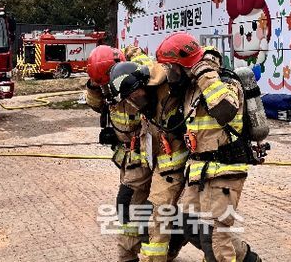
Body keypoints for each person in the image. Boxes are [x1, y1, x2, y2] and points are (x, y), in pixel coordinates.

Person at [156, 32, 263, 262]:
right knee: (187, 224)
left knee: (213, 237)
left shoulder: (224, 82)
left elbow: (225, 111)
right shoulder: (190, 89)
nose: (169, 74)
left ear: (185, 65)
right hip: (200, 170)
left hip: (225, 169)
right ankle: (248, 258)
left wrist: (205, 74)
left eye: (171, 68)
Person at [109, 48, 190, 262]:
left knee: (159, 216)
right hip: (149, 159)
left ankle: (168, 248)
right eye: (129, 98)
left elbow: (190, 59)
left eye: (134, 95)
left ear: (141, 84)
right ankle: (132, 256)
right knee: (128, 204)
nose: (132, 101)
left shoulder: (165, 81)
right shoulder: (137, 95)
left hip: (172, 166)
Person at [86, 45, 148, 262]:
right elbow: (96, 104)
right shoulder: (105, 86)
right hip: (127, 158)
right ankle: (169, 247)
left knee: (127, 205)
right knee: (146, 209)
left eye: (106, 84)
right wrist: (94, 87)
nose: (106, 90)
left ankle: (128, 256)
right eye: (100, 85)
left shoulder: (138, 80)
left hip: (144, 157)